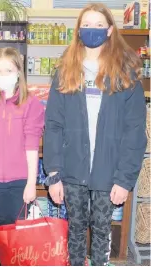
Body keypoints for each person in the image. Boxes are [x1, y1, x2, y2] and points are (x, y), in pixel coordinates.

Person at [43, 3, 147, 266]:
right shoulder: (65, 70)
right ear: (78, 30)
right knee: (75, 230)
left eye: (98, 25)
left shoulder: (126, 72)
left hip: (108, 171)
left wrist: (124, 179)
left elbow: (135, 131)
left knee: (102, 232)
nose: (92, 30)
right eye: (86, 24)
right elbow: (53, 124)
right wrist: (53, 173)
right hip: (72, 169)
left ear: (110, 30)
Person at [0, 47, 45, 265]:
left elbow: (32, 145)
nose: (2, 75)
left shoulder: (31, 104)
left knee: (18, 229)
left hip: (20, 179)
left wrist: (31, 183)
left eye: (8, 70)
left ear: (18, 72)